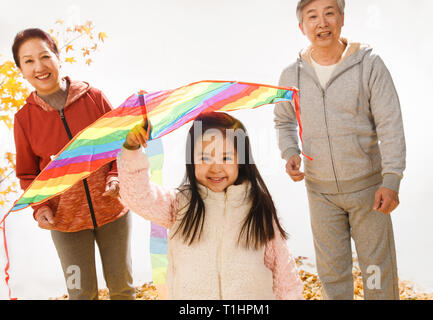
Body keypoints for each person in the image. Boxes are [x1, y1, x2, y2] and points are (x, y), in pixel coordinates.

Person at [274, 0, 406, 300]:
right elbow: (283, 121)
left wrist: (391, 179)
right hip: (320, 193)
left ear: (342, 18)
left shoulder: (369, 65)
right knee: (333, 275)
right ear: (302, 26)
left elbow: (391, 124)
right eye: (313, 16)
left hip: (369, 190)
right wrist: (290, 152)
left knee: (376, 274)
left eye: (329, 13)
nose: (322, 23)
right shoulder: (290, 76)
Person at [117, 112, 303, 299]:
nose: (215, 168)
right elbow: (137, 196)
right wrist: (132, 149)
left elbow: (284, 273)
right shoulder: (180, 204)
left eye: (226, 158)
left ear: (241, 159)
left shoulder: (258, 208)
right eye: (205, 158)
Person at [12, 28, 135, 300]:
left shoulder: (94, 97)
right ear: (20, 70)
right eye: (28, 61)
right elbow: (28, 174)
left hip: (113, 211)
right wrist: (40, 207)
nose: (39, 66)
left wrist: (116, 178)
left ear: (57, 57)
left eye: (45, 56)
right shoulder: (24, 120)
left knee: (123, 289)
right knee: (80, 293)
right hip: (64, 222)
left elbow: (119, 147)